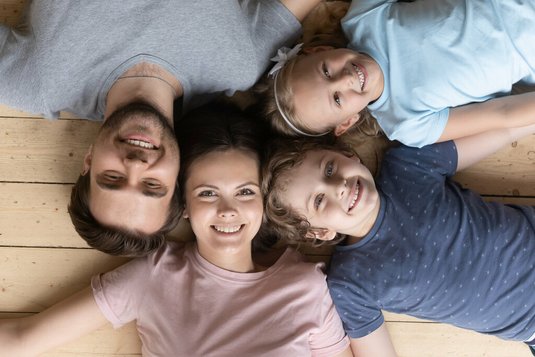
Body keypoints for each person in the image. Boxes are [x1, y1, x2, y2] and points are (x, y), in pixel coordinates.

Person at [0, 104, 353, 356]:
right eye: (208, 193)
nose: (228, 211)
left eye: (245, 192)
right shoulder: (154, 277)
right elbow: (20, 339)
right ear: (183, 204)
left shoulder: (306, 286)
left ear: (264, 200)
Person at [0, 0, 321, 256]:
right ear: (179, 175)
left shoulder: (41, 83)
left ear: (89, 160)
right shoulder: (239, 64)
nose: (136, 165)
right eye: (153, 186)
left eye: (112, 178)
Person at [262, 124, 535, 356]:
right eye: (319, 201)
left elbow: (503, 129)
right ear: (320, 232)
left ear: (348, 155)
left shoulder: (407, 166)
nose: (339, 187)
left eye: (330, 169)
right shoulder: (350, 284)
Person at [259, 0, 535, 148]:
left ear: (318, 50)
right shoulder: (406, 125)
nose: (346, 79)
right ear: (347, 122)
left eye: (326, 70)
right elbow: (503, 114)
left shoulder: (363, 18)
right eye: (337, 99)